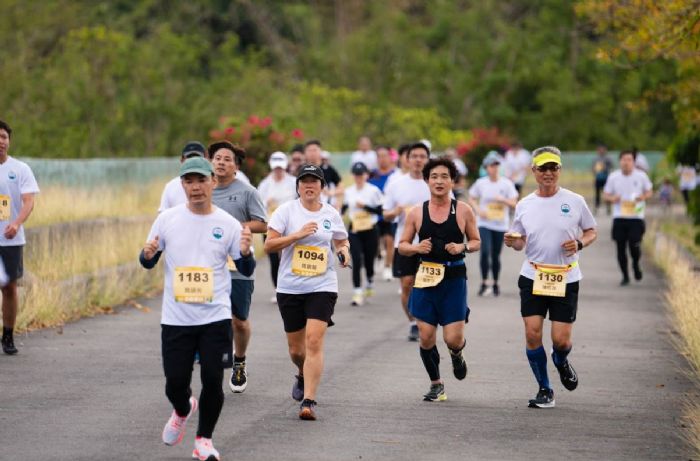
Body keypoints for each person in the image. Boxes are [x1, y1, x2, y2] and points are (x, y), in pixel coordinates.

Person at [140, 156, 255, 460]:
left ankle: (204, 440)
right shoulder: (168, 219)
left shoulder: (228, 224)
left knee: (213, 379)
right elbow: (149, 259)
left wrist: (244, 252)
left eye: (201, 180)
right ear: (182, 185)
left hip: (215, 317)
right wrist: (147, 254)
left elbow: (245, 264)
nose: (195, 187)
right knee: (175, 383)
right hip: (176, 319)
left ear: (212, 183)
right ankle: (181, 409)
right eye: (189, 181)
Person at [504, 146, 597, 409]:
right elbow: (519, 241)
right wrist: (513, 242)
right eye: (543, 168)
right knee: (533, 334)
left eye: (553, 168)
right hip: (533, 275)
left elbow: (591, 231)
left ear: (559, 170)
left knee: (561, 340)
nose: (548, 173)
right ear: (533, 171)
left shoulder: (575, 201)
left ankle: (561, 360)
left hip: (565, 277)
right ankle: (545, 388)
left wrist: (580, 243)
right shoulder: (524, 204)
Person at [264, 164, 350, 421]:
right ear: (298, 186)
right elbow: (269, 245)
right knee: (296, 351)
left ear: (322, 186)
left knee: (314, 341)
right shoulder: (285, 211)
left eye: (314, 181)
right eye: (304, 181)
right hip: (290, 286)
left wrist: (344, 252)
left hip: (322, 285)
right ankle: (302, 373)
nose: (309, 186)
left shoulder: (331, 214)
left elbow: (341, 240)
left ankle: (309, 400)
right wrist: (297, 235)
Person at [399, 158, 480, 401]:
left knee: (452, 338)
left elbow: (477, 242)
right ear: (427, 181)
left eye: (445, 176)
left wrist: (462, 247)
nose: (439, 181)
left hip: (454, 278)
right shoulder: (416, 212)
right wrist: (416, 248)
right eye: (434, 176)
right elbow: (402, 245)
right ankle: (436, 384)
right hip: (425, 278)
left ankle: (456, 354)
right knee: (425, 336)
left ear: (452, 181)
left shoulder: (463, 210)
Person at [208, 140, 267, 393]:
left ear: (236, 166)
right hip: (209, 264)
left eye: (227, 159)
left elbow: (263, 224)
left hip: (239, 262)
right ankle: (211, 359)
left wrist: (235, 227)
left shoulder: (247, 192)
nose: (221, 162)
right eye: (217, 158)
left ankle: (239, 361)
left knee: (239, 320)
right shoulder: (204, 189)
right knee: (209, 317)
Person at [383, 142, 432, 341]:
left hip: (430, 244)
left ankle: (427, 320)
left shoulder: (435, 182)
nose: (418, 160)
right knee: (406, 284)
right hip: (404, 242)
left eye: (422, 156)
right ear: (407, 159)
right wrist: (395, 212)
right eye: (415, 156)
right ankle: (413, 322)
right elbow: (385, 214)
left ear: (428, 159)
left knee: (429, 286)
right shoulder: (396, 184)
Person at [0, 120, 40, 355]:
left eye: (4, 137)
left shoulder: (20, 169)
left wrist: (16, 223)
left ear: (9, 141)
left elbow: (29, 201)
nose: (1, 142)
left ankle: (8, 335)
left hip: (11, 239)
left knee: (9, 288)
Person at [468, 152, 518, 297]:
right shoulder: (481, 183)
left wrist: (503, 200)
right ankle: (484, 282)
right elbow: (471, 197)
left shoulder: (506, 184)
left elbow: (515, 203)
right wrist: (477, 209)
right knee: (485, 252)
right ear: (486, 168)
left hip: (500, 225)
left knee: (495, 255)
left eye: (496, 165)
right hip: (484, 223)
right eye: (491, 165)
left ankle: (495, 282)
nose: (494, 168)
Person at [603, 150, 653, 285]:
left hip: (636, 216)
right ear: (620, 161)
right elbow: (605, 194)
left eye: (629, 159)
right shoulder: (613, 176)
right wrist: (613, 198)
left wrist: (643, 197)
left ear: (634, 162)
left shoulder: (641, 176)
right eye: (624, 159)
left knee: (634, 245)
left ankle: (636, 264)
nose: (626, 162)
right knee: (620, 248)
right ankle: (625, 275)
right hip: (619, 216)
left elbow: (649, 191)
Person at [342, 162, 384, 306]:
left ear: (366, 175)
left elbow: (380, 211)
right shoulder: (349, 191)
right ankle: (357, 292)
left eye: (361, 175)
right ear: (353, 176)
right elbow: (344, 208)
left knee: (368, 260)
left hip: (370, 229)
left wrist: (365, 207)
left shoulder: (374, 191)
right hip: (354, 230)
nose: (359, 177)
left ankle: (370, 280)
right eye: (356, 175)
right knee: (356, 260)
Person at [258, 152, 298, 300]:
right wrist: (265, 203)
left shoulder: (294, 182)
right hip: (271, 226)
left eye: (281, 167)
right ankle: (278, 289)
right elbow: (257, 205)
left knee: (290, 258)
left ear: (285, 166)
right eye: (276, 168)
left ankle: (293, 288)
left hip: (290, 226)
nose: (278, 170)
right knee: (274, 260)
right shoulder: (264, 184)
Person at [369, 145, 398, 281]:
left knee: (390, 240)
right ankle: (379, 256)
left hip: (390, 212)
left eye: (384, 156)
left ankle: (388, 267)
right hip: (375, 213)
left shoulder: (395, 175)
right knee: (375, 242)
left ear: (389, 157)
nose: (382, 159)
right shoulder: (372, 174)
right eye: (379, 156)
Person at [158, 141, 208, 212]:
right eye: (189, 158)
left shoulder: (211, 185)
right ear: (182, 160)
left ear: (205, 160)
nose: (193, 162)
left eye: (197, 158)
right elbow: (163, 216)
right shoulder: (171, 187)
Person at [592, 144, 613, 215]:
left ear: (605, 150)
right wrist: (594, 170)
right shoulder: (596, 158)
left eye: (602, 149)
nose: (600, 151)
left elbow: (611, 166)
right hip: (598, 178)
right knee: (597, 194)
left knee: (607, 193)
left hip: (606, 179)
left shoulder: (608, 158)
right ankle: (596, 208)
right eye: (599, 149)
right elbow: (593, 169)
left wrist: (605, 167)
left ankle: (608, 208)